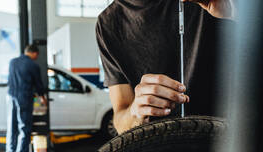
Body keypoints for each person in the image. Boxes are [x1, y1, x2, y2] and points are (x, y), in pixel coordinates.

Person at [96, 0, 236, 134]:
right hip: (160, 151)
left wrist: (234, 9)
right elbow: (121, 121)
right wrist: (136, 111)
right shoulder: (108, 23)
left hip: (232, 139)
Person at [6, 44, 47, 152]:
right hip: (24, 97)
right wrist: (42, 97)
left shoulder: (12, 62)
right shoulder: (33, 65)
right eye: (36, 55)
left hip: (11, 95)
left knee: (12, 126)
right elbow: (38, 84)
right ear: (34, 53)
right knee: (24, 127)